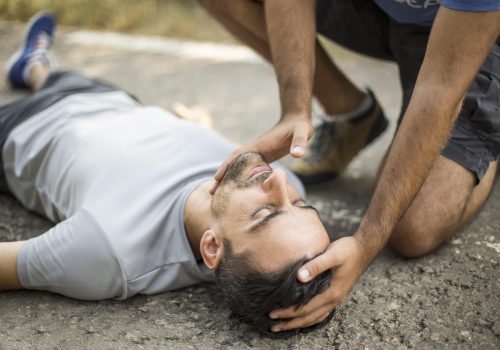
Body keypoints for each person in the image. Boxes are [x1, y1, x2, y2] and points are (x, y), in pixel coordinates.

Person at [0, 12, 334, 333]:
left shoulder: (108, 253)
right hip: (114, 101)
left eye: (265, 211)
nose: (280, 180)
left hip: (20, 130)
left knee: (54, 84)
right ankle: (33, 65)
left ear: (213, 248)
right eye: (302, 206)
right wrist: (200, 129)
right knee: (52, 76)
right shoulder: (266, 185)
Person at [199, 0, 500, 332]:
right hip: (384, 13)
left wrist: (367, 240)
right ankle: (349, 109)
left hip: (474, 35)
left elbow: (441, 86)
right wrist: (295, 109)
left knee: (413, 229)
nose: (280, 178)